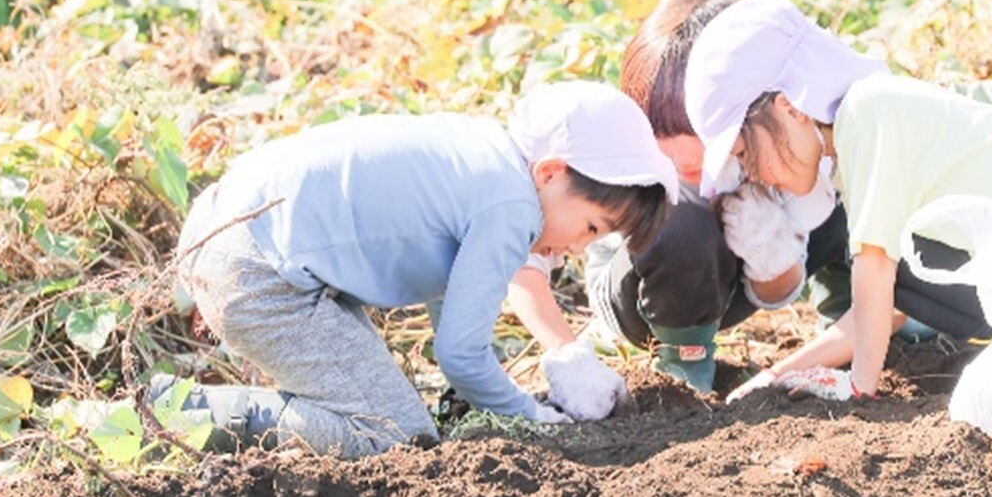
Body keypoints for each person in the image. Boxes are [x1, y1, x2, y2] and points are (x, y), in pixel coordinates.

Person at [154, 81, 677, 458]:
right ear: (552, 172)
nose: (582, 247)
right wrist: (528, 417)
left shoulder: (485, 155)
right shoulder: (512, 207)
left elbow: (454, 309)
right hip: (259, 271)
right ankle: (173, 413)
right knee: (394, 437)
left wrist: (477, 398)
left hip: (235, 229)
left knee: (395, 416)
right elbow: (459, 353)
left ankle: (179, 410)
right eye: (590, 227)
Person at [682, 0, 992, 400]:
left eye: (745, 152)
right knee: (902, 267)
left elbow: (880, 277)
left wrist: (859, 388)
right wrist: (774, 377)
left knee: (895, 263)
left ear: (788, 107)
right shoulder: (870, 121)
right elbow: (890, 305)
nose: (754, 175)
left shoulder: (870, 115)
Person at [576, 0, 854, 394]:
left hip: (731, 291)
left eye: (695, 127)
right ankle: (685, 373)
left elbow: (777, 293)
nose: (683, 153)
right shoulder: (628, 154)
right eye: (662, 132)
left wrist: (770, 251)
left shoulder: (770, 148)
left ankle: (852, 327)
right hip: (643, 299)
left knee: (844, 204)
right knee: (683, 220)